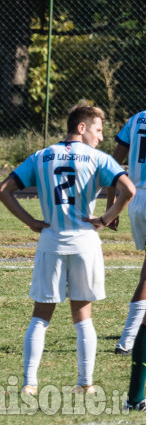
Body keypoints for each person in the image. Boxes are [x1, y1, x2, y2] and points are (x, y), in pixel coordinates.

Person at [0, 103, 135, 395]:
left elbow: (3, 190)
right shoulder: (98, 158)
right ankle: (85, 384)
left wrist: (31, 222)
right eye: (98, 130)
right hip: (85, 242)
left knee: (40, 316)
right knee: (83, 316)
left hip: (51, 241)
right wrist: (106, 219)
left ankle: (29, 384)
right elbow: (129, 190)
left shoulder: (41, 155)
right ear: (81, 128)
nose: (100, 138)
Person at [106, 111, 146, 356]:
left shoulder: (137, 119)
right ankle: (127, 340)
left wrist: (112, 206)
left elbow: (113, 165)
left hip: (136, 198)